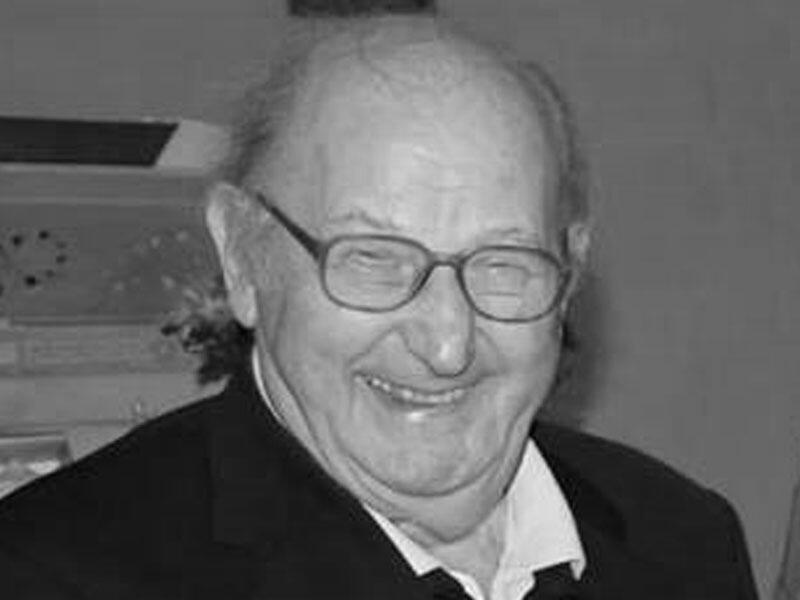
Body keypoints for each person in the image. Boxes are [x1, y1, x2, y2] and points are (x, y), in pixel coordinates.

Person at [0, 15, 758, 600]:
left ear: (570, 272)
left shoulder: (684, 537)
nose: (447, 344)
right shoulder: (53, 572)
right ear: (243, 256)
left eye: (504, 263)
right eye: (373, 259)